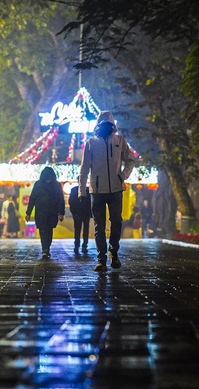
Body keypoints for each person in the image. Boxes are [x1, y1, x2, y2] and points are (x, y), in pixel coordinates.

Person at [79, 110, 135, 271]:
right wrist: (82, 191)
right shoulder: (91, 143)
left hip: (116, 189)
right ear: (98, 125)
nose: (106, 127)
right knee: (99, 226)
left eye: (108, 125)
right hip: (96, 191)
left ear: (113, 125)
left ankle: (114, 253)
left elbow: (130, 160)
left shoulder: (119, 141)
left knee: (116, 222)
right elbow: (84, 169)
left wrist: (123, 176)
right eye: (103, 124)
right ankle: (101, 259)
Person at [25, 166, 65, 259]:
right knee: (49, 230)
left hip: (40, 211)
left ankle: (45, 249)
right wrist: (61, 212)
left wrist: (28, 212)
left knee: (43, 230)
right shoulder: (56, 185)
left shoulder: (38, 184)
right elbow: (60, 199)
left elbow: (33, 198)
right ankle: (46, 248)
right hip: (52, 211)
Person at [69, 184, 91, 254]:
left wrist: (73, 212)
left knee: (77, 229)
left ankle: (77, 245)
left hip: (77, 213)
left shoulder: (74, 190)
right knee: (86, 228)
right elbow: (90, 202)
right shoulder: (88, 190)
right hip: (86, 213)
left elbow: (71, 202)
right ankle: (84, 245)